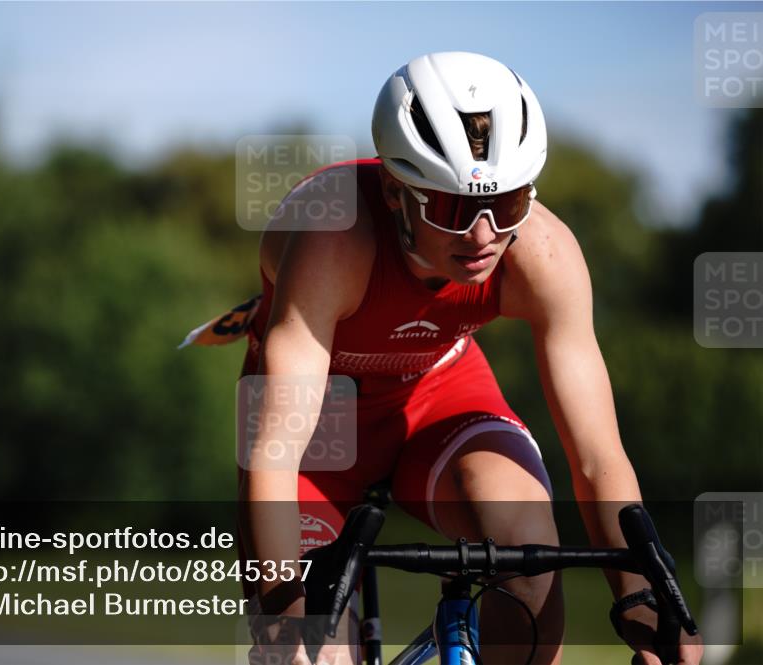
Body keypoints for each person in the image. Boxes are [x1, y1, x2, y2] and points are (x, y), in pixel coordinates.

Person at [185, 51, 703, 665]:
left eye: (508, 203)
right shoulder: (335, 239)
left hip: (437, 396)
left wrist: (643, 603)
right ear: (394, 191)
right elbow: (275, 456)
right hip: (317, 430)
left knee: (529, 539)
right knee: (309, 651)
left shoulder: (543, 254)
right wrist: (284, 617)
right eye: (455, 210)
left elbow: (597, 457)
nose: (484, 235)